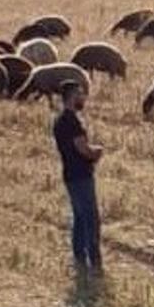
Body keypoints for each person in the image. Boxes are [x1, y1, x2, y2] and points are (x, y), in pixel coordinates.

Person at [52, 80, 103, 276]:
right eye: (80, 94)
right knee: (91, 219)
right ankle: (94, 261)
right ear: (73, 96)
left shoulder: (59, 121)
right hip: (81, 175)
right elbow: (82, 148)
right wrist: (96, 152)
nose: (83, 98)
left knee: (79, 218)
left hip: (69, 174)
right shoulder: (73, 122)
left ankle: (79, 257)